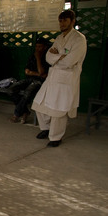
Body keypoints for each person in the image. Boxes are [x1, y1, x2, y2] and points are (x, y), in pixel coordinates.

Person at [32, 10, 87, 147]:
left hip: (66, 79)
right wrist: (60, 56)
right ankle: (45, 128)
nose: (62, 23)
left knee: (58, 109)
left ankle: (56, 137)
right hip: (53, 77)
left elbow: (70, 61)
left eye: (65, 20)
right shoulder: (59, 38)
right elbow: (48, 57)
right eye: (60, 21)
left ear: (72, 21)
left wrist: (58, 57)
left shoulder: (79, 39)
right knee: (39, 103)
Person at [8, 37, 50, 124]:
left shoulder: (47, 58)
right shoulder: (32, 56)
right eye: (36, 46)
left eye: (40, 47)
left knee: (28, 93)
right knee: (11, 89)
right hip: (30, 79)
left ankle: (16, 114)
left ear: (45, 47)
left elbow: (43, 73)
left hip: (40, 82)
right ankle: (25, 111)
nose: (37, 49)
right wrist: (37, 73)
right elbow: (27, 72)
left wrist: (38, 59)